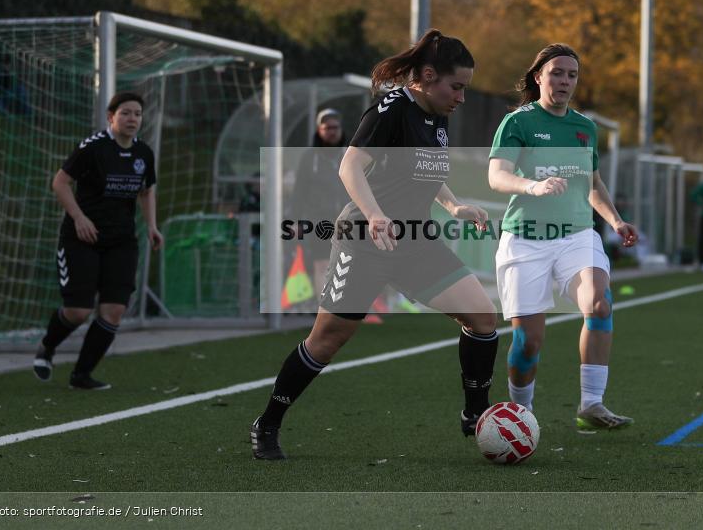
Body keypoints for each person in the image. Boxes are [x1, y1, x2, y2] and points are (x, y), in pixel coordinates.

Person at [250, 29, 498, 460]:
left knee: (483, 318)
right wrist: (375, 215)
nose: (460, 97)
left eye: (464, 89)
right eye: (456, 86)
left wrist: (455, 206)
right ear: (427, 75)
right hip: (364, 240)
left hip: (415, 240)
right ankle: (267, 423)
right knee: (326, 341)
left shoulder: (437, 113)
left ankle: (475, 412)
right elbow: (350, 166)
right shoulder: (392, 108)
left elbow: (429, 171)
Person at [487, 43, 639, 430]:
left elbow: (592, 184)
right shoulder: (518, 122)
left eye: (572, 75)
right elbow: (497, 176)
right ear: (538, 76)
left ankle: (592, 404)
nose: (564, 81)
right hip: (524, 239)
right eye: (557, 73)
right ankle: (522, 413)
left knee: (600, 303)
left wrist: (616, 221)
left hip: (576, 235)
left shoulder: (584, 128)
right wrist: (532, 186)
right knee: (528, 343)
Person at [33, 92, 163, 389]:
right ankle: (47, 347)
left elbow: (146, 190)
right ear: (111, 117)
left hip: (121, 240)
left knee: (114, 310)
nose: (132, 119)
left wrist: (152, 225)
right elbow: (60, 182)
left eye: (137, 114)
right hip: (82, 237)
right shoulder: (93, 148)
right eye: (126, 113)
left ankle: (81, 375)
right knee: (78, 311)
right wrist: (79, 217)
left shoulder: (144, 153)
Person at [291, 108, 348, 297]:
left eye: (335, 127)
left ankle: (346, 307)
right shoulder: (310, 158)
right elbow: (299, 191)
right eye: (327, 127)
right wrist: (295, 219)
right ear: (319, 130)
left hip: (347, 218)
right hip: (320, 220)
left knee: (349, 263)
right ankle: (323, 308)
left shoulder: (349, 155)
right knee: (322, 263)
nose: (332, 131)